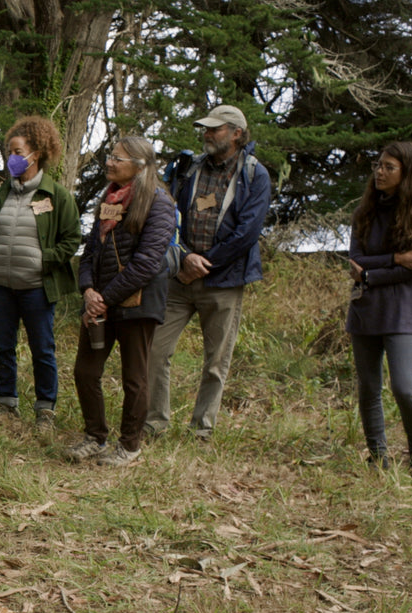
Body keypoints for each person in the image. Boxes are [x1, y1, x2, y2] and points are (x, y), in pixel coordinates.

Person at [146, 104, 271, 440]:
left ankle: (201, 429)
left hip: (223, 281)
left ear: (237, 134)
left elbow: (247, 232)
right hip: (180, 277)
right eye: (205, 128)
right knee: (155, 350)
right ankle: (155, 423)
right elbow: (169, 215)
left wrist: (206, 264)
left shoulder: (255, 175)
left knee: (216, 361)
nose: (207, 134)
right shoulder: (188, 169)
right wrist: (184, 258)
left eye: (215, 129)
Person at [69, 137, 177, 467]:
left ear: (141, 166)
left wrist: (105, 297)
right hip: (100, 303)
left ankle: (130, 445)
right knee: (85, 371)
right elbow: (91, 251)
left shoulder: (159, 203)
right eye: (110, 156)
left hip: (138, 303)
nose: (110, 162)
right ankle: (95, 436)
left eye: (118, 158)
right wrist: (88, 290)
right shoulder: (109, 198)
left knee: (135, 377)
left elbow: (146, 263)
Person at [0, 115, 81, 428]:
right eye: (9, 151)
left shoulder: (56, 197)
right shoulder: (0, 195)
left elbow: (72, 239)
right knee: (2, 347)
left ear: (37, 153)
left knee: (42, 349)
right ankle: (6, 406)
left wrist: (43, 261)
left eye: (18, 151)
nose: (12, 158)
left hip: (36, 288)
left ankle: (45, 409)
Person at [346, 142, 412, 480]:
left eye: (389, 167)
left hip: (406, 309)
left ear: (407, 173)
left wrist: (372, 273)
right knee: (368, 387)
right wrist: (397, 258)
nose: (380, 172)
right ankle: (379, 458)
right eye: (378, 165)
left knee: (405, 388)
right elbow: (354, 259)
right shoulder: (365, 212)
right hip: (366, 308)